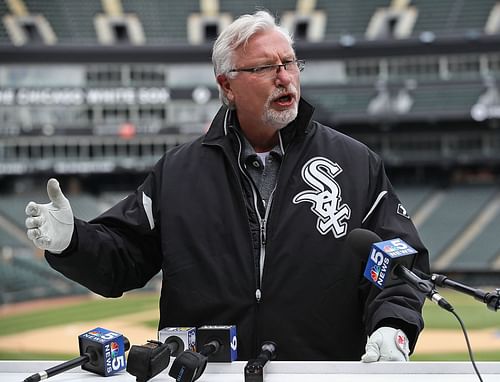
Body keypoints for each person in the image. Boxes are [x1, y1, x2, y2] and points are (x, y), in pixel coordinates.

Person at [25, 10, 429, 361]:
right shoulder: (178, 172)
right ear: (227, 86)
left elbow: (398, 262)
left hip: (319, 371)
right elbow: (122, 260)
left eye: (289, 63)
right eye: (264, 68)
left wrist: (392, 326)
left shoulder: (356, 163)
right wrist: (72, 242)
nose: (284, 77)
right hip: (207, 373)